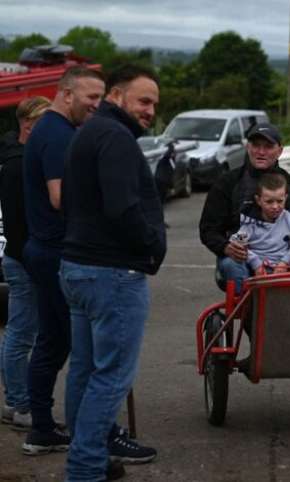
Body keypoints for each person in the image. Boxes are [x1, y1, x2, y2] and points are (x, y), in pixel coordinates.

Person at [60, 64, 166, 480]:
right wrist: (151, 246)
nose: (150, 110)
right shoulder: (115, 138)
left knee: (86, 372)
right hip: (112, 274)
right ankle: (85, 468)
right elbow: (123, 207)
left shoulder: (88, 133)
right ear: (116, 96)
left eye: (155, 104)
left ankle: (88, 457)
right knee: (111, 377)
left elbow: (70, 200)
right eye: (143, 100)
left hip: (80, 268)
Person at [21, 66, 104, 455]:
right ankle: (72, 430)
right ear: (67, 94)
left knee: (54, 342)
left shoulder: (54, 131)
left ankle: (41, 427)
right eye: (91, 97)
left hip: (46, 248)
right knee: (71, 343)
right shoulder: (56, 134)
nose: (96, 105)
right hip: (55, 251)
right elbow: (60, 197)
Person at [200, 122, 290, 293]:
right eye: (256, 146)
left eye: (268, 147)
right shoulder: (226, 183)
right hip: (243, 258)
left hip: (285, 258)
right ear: (248, 147)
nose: (261, 152)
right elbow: (208, 230)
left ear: (280, 150)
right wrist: (226, 247)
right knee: (230, 265)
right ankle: (251, 313)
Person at [0, 96, 50, 431]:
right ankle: (18, 403)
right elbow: (18, 224)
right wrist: (31, 258)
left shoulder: (18, 157)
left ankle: (15, 399)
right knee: (21, 333)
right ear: (28, 125)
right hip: (23, 259)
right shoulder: (18, 166)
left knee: (20, 332)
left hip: (21, 257)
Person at [232, 173, 290, 275]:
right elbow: (237, 244)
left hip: (285, 266)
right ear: (258, 200)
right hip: (258, 269)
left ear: (286, 197)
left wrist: (284, 262)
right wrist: (256, 263)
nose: (275, 206)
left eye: (280, 201)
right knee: (231, 264)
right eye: (269, 202)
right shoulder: (249, 222)